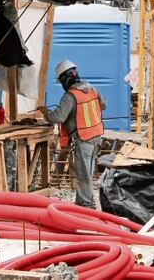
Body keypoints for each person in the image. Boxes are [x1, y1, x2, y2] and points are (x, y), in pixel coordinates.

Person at [39, 60, 106, 209]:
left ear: (65, 79)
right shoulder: (92, 89)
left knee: (83, 175)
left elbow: (58, 117)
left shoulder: (70, 96)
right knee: (87, 173)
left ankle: (87, 206)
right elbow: (103, 105)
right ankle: (84, 202)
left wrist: (46, 112)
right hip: (97, 137)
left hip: (83, 139)